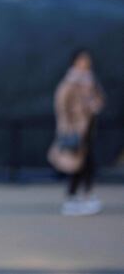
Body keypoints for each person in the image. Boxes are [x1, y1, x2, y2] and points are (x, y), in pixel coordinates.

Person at [51, 48, 105, 216]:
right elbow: (61, 105)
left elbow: (100, 99)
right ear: (74, 62)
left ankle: (82, 196)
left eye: (86, 60)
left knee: (86, 164)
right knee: (79, 164)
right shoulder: (70, 81)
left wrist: (94, 104)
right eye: (81, 60)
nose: (84, 63)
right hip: (75, 129)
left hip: (88, 128)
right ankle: (74, 197)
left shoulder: (91, 81)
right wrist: (66, 126)